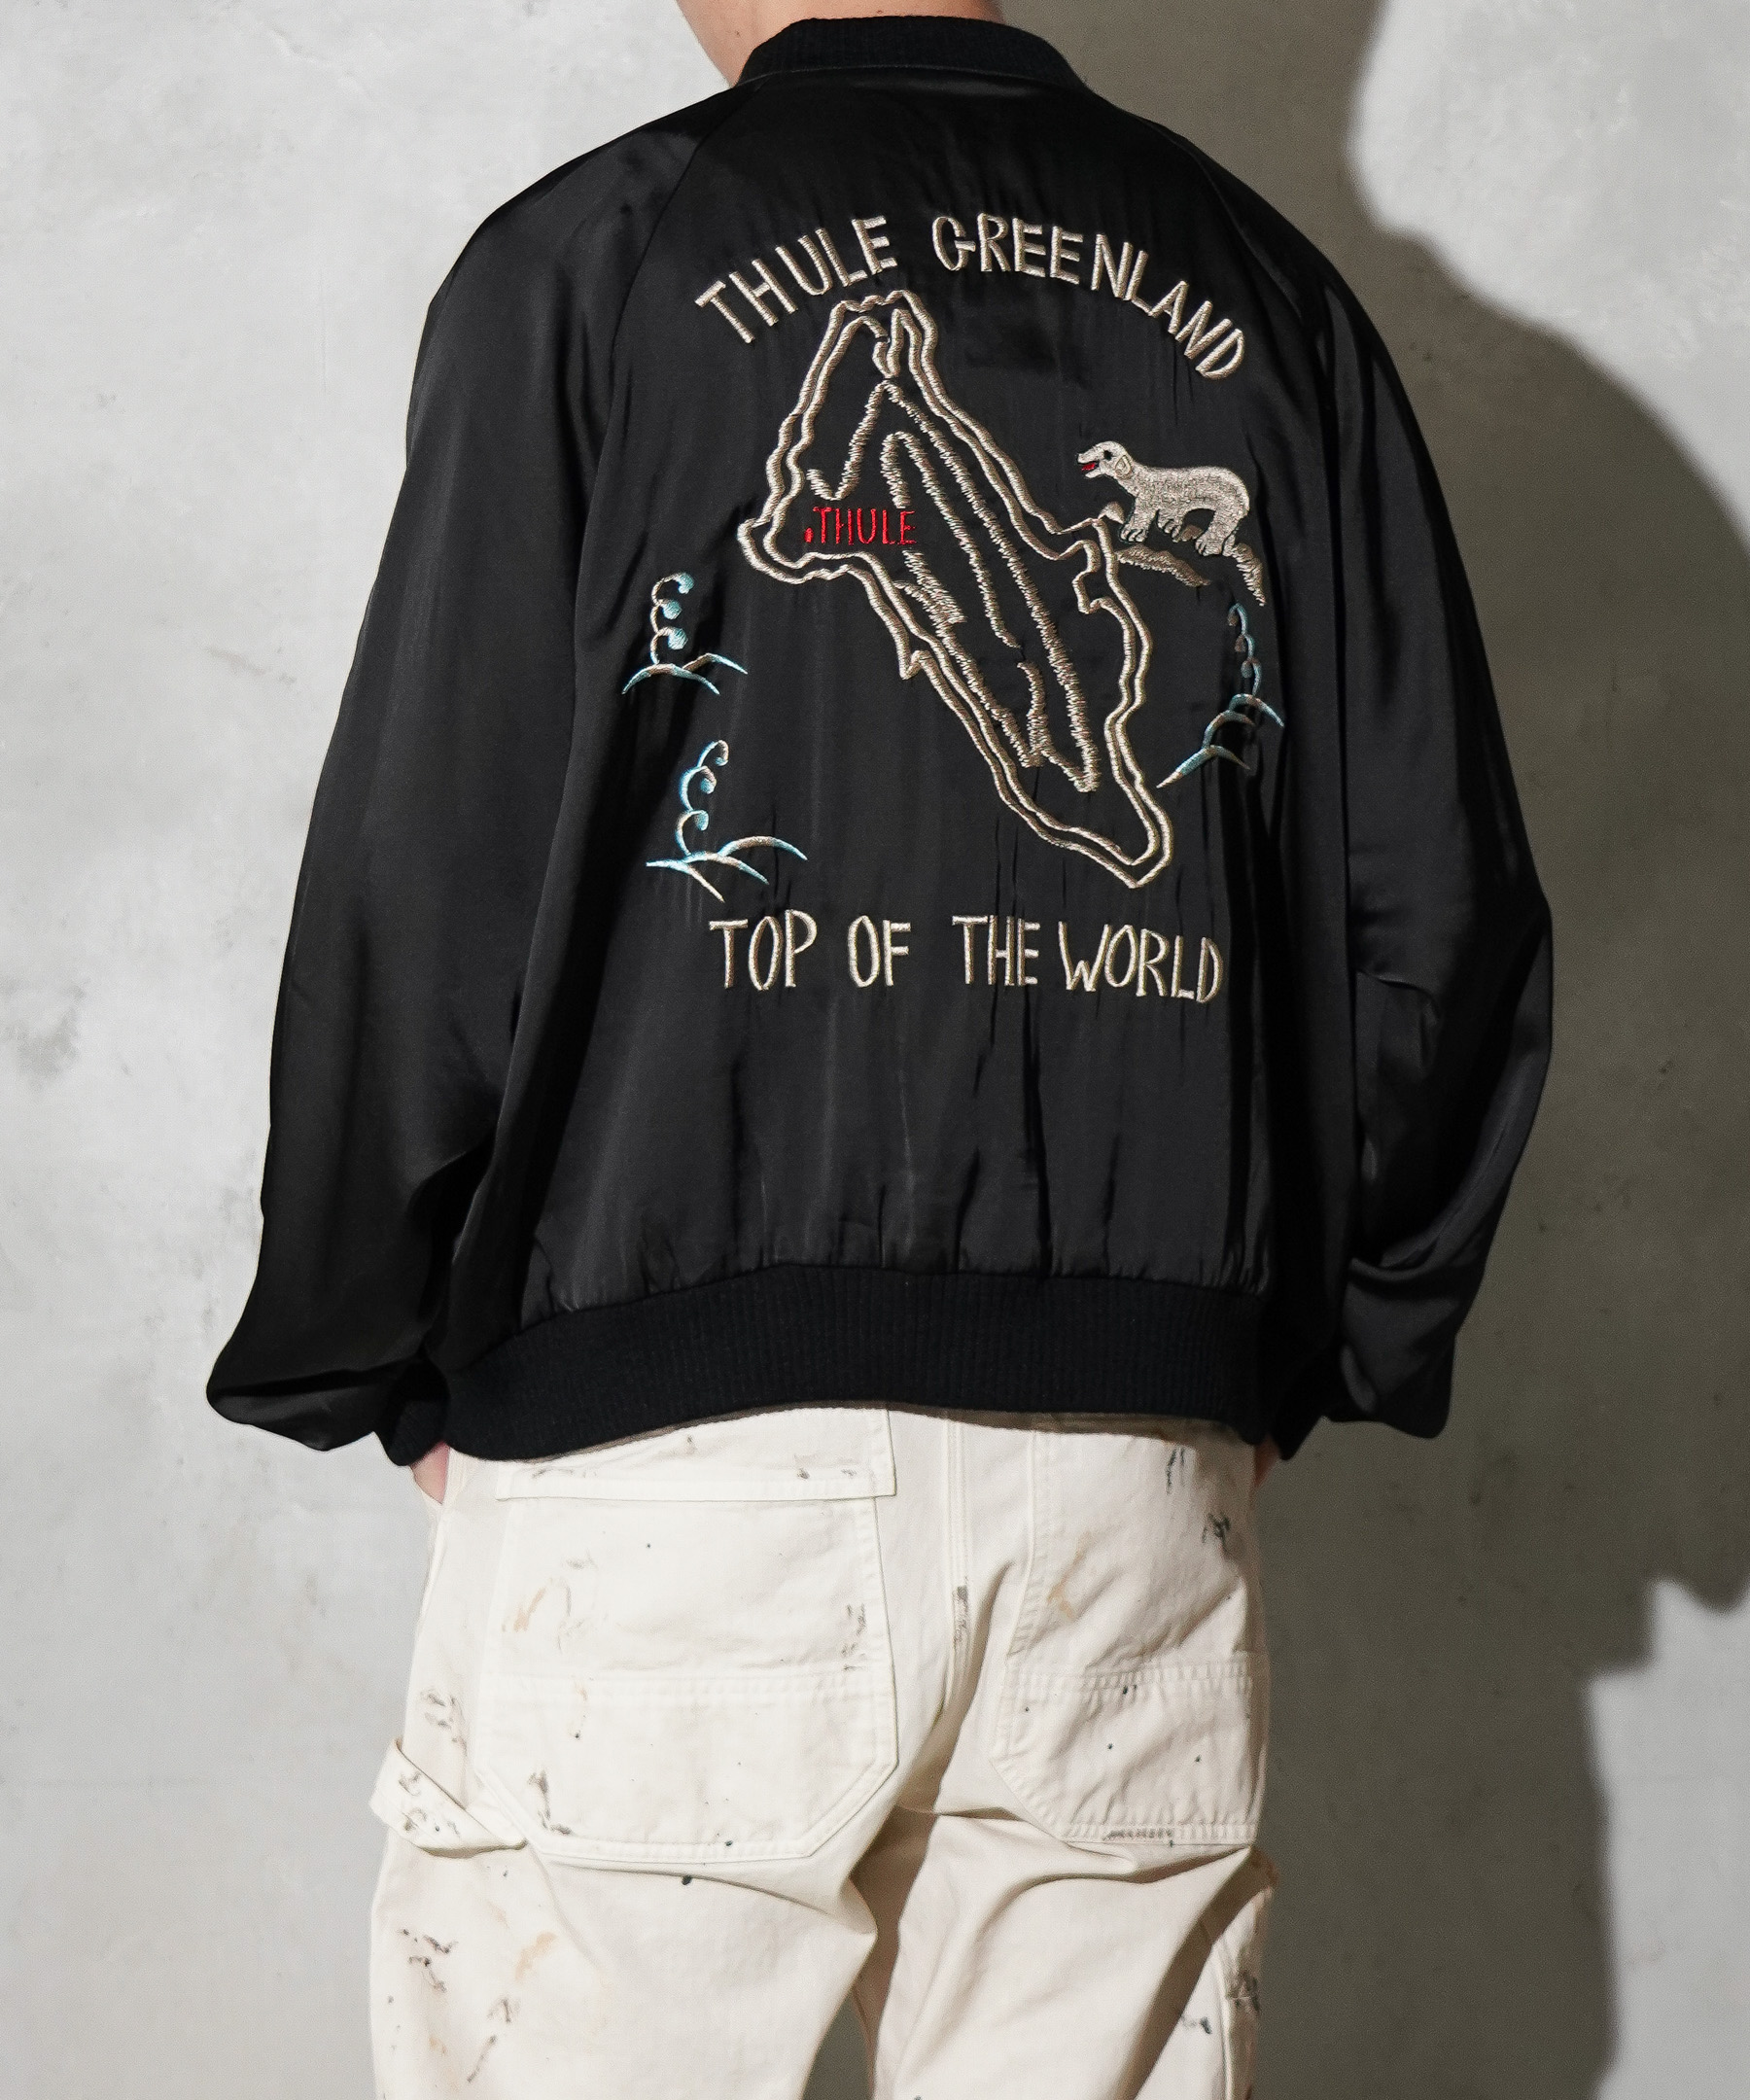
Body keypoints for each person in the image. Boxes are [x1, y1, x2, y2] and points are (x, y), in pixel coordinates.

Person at [208, 3, 1553, 2092]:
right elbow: (1439, 916)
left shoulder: (601, 258)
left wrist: (362, 1345)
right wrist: (1291, 1343)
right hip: (1128, 1478)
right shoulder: (1274, 303)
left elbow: (425, 870)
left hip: (661, 1463)